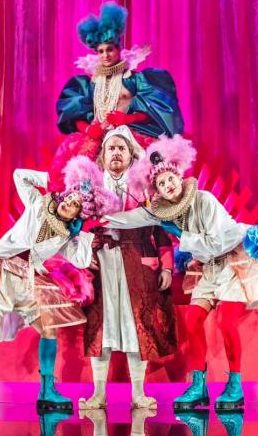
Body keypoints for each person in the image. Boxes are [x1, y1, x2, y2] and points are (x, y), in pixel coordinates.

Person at [104, 136, 258, 412]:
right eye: (161, 184)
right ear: (158, 192)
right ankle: (198, 386)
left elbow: (215, 243)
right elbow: (134, 219)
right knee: (193, 322)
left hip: (234, 264)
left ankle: (234, 386)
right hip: (208, 270)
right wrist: (101, 219)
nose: (168, 185)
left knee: (225, 321)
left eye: (170, 179)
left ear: (179, 176)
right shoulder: (163, 211)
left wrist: (180, 235)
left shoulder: (205, 200)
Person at [0, 156, 119, 415]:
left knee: (49, 329)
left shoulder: (67, 235)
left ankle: (47, 389)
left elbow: (80, 259)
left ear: (77, 214)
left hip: (29, 279)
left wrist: (86, 237)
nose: (70, 203)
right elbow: (19, 175)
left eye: (75, 205)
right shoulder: (39, 204)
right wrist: (47, 178)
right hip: (2, 270)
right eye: (69, 198)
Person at [79, 126, 176, 411]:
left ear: (131, 154)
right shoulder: (89, 188)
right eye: (112, 148)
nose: (117, 153)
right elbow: (76, 230)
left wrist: (167, 267)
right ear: (103, 155)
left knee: (137, 326)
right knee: (101, 327)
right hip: (102, 265)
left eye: (122, 148)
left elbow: (161, 229)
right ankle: (99, 394)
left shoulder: (145, 189)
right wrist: (85, 257)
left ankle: (138, 394)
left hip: (137, 264)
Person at [50, 2, 184, 192]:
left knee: (143, 181)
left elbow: (153, 108)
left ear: (119, 48)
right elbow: (74, 113)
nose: (105, 55)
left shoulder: (133, 78)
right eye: (101, 51)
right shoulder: (90, 82)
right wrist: (88, 129)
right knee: (79, 181)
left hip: (129, 134)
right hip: (97, 135)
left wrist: (128, 118)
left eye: (110, 49)